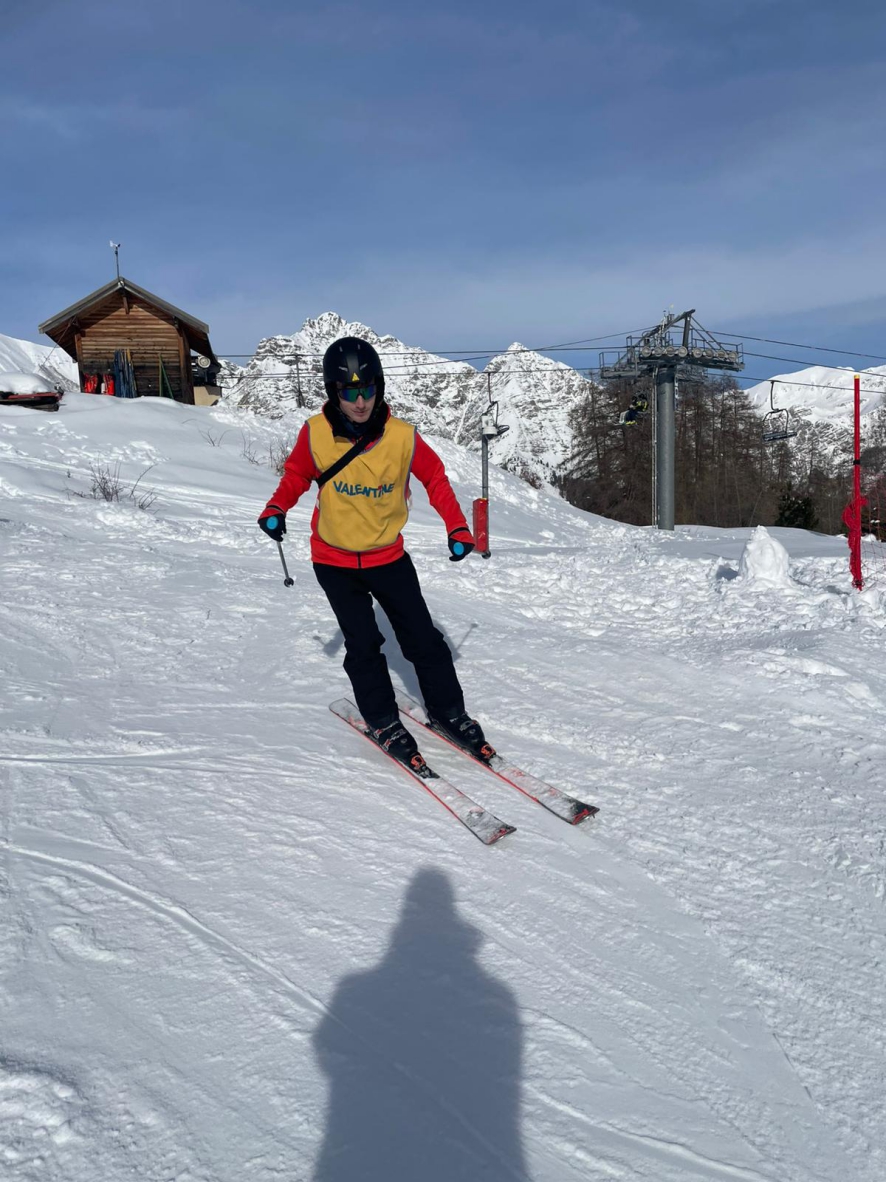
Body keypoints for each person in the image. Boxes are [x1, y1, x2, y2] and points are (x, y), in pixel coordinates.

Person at [258, 336, 493, 770]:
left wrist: (457, 527)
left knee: (423, 640)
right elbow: (297, 475)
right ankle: (382, 719)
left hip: (388, 558)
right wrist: (277, 507)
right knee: (363, 644)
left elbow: (435, 478)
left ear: (379, 387)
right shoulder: (315, 433)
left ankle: (449, 711)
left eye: (367, 389)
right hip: (333, 561)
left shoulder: (402, 437)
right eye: (349, 392)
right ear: (334, 392)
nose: (360, 402)